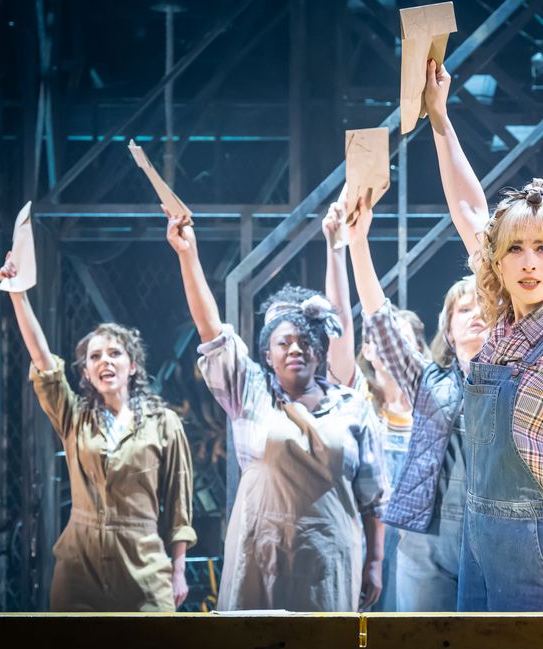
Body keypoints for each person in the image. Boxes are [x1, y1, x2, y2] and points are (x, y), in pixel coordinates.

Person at [423, 59, 543, 612]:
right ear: (498, 261)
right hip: (478, 541)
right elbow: (468, 208)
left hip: (542, 557)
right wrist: (440, 119)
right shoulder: (499, 327)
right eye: (515, 248)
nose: (528, 262)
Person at [165, 206, 387, 611]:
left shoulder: (352, 406)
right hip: (260, 554)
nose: (296, 349)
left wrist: (375, 561)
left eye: (305, 342)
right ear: (266, 353)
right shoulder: (248, 393)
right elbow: (211, 331)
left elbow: (373, 498)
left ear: (320, 351)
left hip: (329, 559)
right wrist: (187, 254)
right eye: (284, 343)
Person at [0, 255, 195, 611]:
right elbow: (43, 362)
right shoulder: (75, 417)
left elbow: (179, 506)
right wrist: (18, 295)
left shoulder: (163, 422)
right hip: (80, 567)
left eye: (115, 354)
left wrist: (178, 570)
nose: (105, 361)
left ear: (132, 366)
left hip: (143, 566)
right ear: (86, 373)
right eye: (95, 357)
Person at [346, 196, 489, 611]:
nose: (476, 314)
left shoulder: (514, 379)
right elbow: (381, 322)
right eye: (464, 308)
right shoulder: (428, 381)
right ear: (448, 325)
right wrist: (358, 243)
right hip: (429, 536)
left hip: (497, 534)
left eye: (485, 306)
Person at [320, 199, 425, 611]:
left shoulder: (427, 406)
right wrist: (336, 249)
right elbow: (339, 325)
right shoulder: (356, 399)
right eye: (381, 337)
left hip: (419, 545)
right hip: (367, 537)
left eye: (401, 339)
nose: (389, 344)